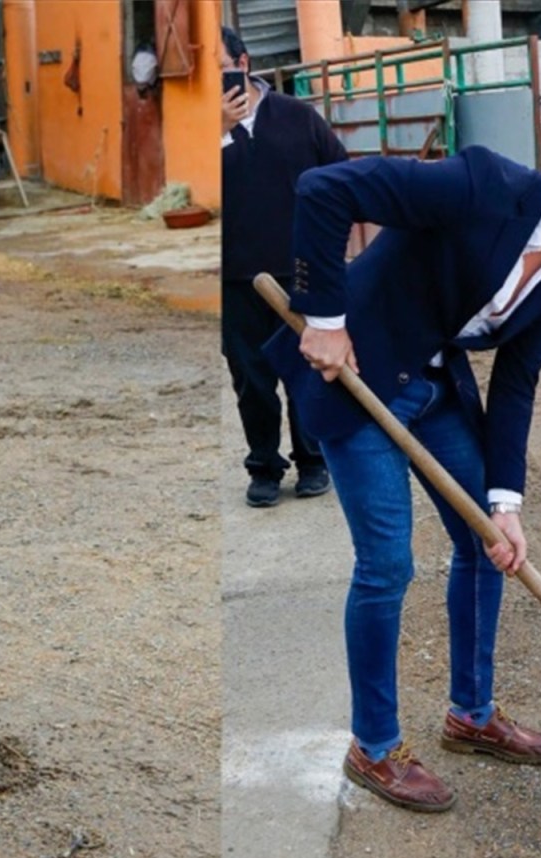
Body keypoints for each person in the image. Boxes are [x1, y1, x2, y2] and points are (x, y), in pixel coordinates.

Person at [265, 132, 541, 811]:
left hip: (431, 388)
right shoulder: (480, 187)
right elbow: (325, 190)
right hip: (354, 380)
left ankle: (471, 714)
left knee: (491, 545)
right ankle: (373, 746)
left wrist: (505, 500)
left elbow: (517, 380)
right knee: (387, 565)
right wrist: (327, 319)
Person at [220, 26, 347, 508]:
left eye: (219, 66)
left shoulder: (297, 117)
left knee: (306, 372)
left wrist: (328, 251)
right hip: (234, 277)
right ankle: (264, 467)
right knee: (251, 377)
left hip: (300, 273)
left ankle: (313, 461)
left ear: (243, 63)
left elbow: (339, 176)